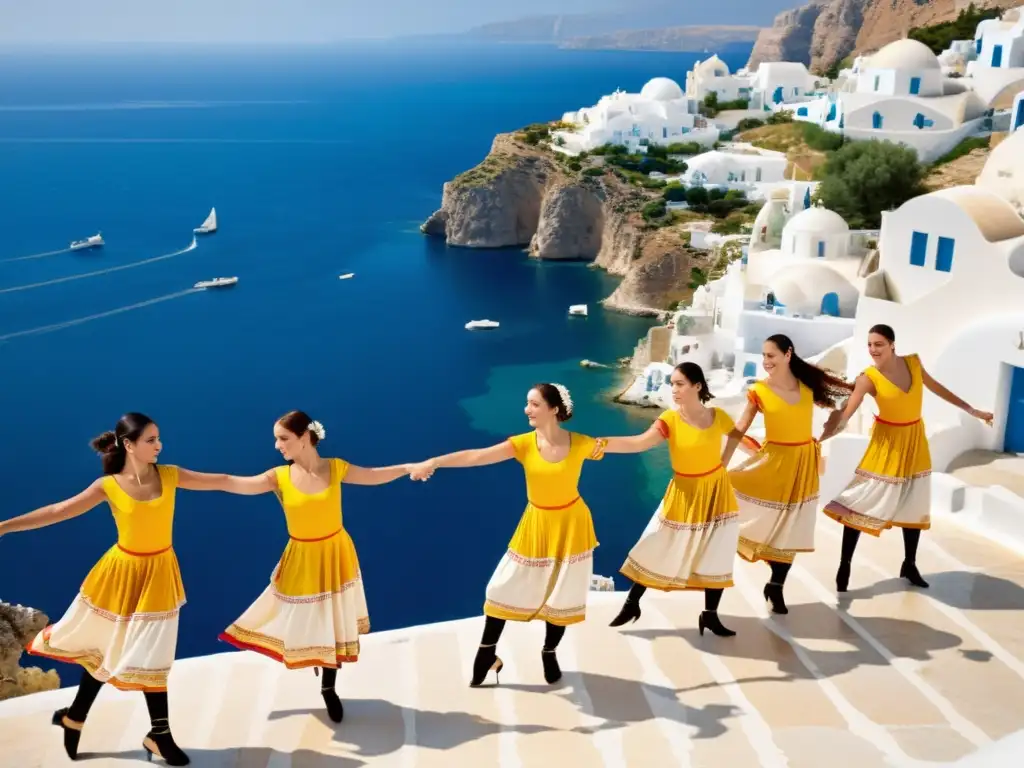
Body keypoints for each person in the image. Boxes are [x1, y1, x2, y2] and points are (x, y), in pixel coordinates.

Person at [182, 410, 413, 724]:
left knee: (333, 621)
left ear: (305, 438)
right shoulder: (277, 477)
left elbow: (374, 475)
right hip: (302, 556)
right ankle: (313, 659)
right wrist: (177, 478)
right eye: (277, 439)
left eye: (283, 438)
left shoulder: (336, 468)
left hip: (335, 553)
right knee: (298, 616)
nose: (277, 445)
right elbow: (228, 482)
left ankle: (328, 688)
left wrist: (409, 467)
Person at [3, 413, 195, 765]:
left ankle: (87, 720)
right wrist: (3, 527)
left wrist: (279, 479)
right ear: (129, 445)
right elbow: (58, 510)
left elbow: (226, 480)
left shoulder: (169, 475)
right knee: (108, 649)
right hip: (120, 575)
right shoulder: (107, 486)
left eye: (158, 438)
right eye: (151, 439)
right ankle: (143, 731)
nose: (159, 445)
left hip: (160, 574)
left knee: (153, 650)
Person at [408, 383, 604, 687]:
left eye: (534, 404)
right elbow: (476, 456)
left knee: (562, 594)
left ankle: (549, 652)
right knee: (500, 589)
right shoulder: (524, 444)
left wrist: (667, 429)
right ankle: (487, 652)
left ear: (554, 409)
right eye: (527, 403)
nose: (527, 410)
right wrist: (434, 462)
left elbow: (629, 444)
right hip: (536, 524)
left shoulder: (579, 443)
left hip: (573, 524)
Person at [820, 324, 993, 592]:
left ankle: (909, 564)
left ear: (892, 345)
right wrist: (822, 437)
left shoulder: (913, 364)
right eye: (869, 345)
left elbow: (939, 389)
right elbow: (847, 414)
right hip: (887, 444)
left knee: (914, 501)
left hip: (915, 440)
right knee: (860, 500)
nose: (873, 350)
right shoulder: (868, 378)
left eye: (878, 344)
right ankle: (845, 564)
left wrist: (972, 410)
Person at [601, 362, 741, 638]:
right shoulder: (670, 419)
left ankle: (710, 615)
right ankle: (632, 603)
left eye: (680, 384)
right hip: (684, 492)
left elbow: (737, 436)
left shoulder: (718, 416)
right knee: (657, 541)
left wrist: (724, 462)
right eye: (672, 384)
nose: (674, 389)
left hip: (717, 490)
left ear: (697, 386)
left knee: (717, 550)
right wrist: (602, 444)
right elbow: (639, 443)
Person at [722, 334, 852, 614]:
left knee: (793, 529)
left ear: (788, 354)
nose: (766, 361)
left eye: (771, 355)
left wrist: (831, 428)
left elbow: (846, 398)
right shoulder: (759, 390)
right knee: (758, 518)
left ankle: (776, 586)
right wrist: (721, 464)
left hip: (803, 463)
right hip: (774, 462)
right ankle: (763, 570)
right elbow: (740, 428)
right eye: (764, 356)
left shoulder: (807, 385)